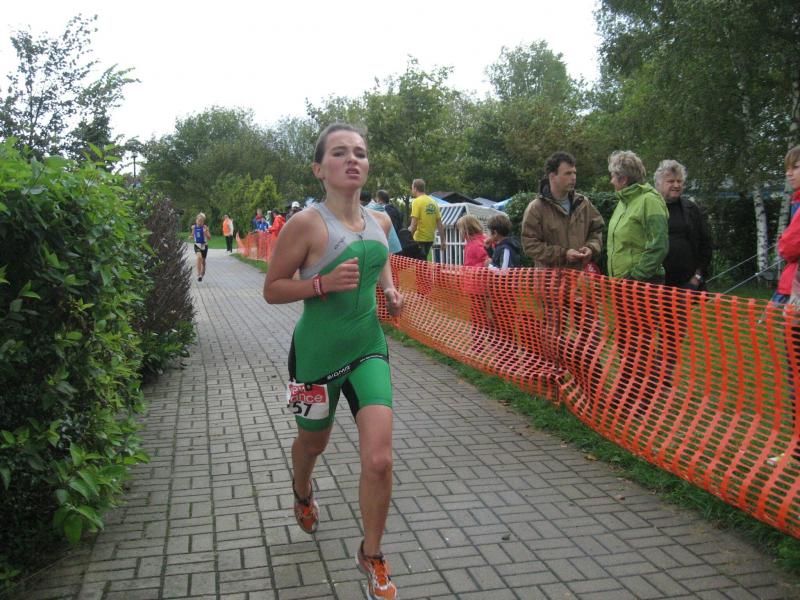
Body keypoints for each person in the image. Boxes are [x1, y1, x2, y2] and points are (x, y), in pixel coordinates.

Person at [263, 123, 402, 600]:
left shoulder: (381, 221)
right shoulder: (306, 224)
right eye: (339, 153)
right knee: (313, 443)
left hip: (368, 348)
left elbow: (382, 260)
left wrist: (390, 291)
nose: (352, 159)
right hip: (315, 356)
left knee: (379, 460)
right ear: (319, 169)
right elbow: (272, 289)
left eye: (359, 152)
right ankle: (302, 490)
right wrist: (320, 284)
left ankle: (371, 552)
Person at [521, 151, 604, 270]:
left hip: (579, 277)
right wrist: (563, 254)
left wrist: (591, 247)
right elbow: (530, 245)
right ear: (552, 176)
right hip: (549, 279)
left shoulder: (583, 203)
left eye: (574, 173)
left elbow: (597, 230)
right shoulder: (536, 208)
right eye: (568, 173)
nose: (574, 177)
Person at [607, 151, 669, 283]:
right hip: (622, 282)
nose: (611, 181)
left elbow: (659, 245)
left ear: (623, 179)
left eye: (613, 176)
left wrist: (636, 276)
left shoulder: (650, 201)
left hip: (643, 283)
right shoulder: (623, 202)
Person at [654, 160, 713, 290]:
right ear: (658, 184)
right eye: (671, 181)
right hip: (656, 286)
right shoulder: (649, 209)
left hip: (688, 286)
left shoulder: (692, 209)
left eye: (679, 181)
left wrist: (697, 278)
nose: (676, 185)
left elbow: (706, 244)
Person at [408, 179, 447, 260]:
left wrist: (408, 239)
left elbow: (414, 224)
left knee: (417, 263)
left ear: (415, 188)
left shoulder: (416, 201)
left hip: (419, 238)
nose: (412, 190)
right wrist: (443, 241)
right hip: (430, 239)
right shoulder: (433, 202)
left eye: (412, 188)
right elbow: (439, 223)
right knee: (423, 262)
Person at [189, 212, 211, 281]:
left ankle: (202, 272)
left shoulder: (205, 228)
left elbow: (209, 238)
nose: (199, 222)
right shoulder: (194, 227)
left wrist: (205, 233)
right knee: (199, 257)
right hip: (197, 245)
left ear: (203, 222)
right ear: (196, 220)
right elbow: (192, 235)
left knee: (203, 262)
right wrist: (191, 237)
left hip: (204, 245)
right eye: (198, 220)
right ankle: (199, 274)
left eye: (201, 221)